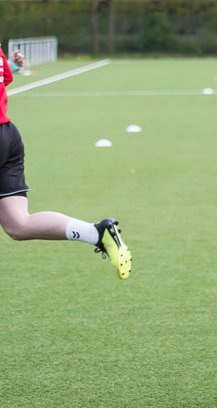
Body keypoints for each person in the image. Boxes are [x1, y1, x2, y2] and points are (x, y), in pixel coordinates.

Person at [0, 45, 131, 278]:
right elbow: (5, 76)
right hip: (8, 135)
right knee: (18, 224)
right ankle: (97, 233)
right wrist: (11, 65)